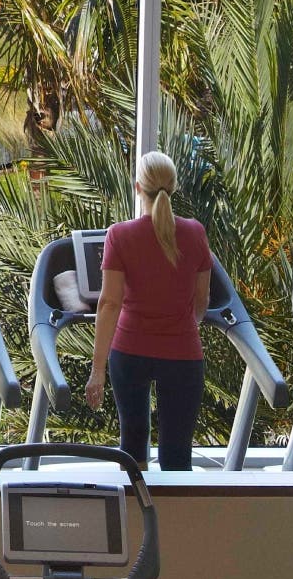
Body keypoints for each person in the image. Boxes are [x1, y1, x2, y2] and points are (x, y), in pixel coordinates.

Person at [83, 151, 213, 471]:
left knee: (132, 449)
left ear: (138, 187)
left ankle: (136, 503)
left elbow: (109, 303)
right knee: (177, 456)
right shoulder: (196, 232)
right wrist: (181, 326)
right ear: (174, 187)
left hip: (130, 353)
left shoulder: (119, 235)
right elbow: (201, 301)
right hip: (183, 354)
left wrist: (97, 370)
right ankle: (174, 507)